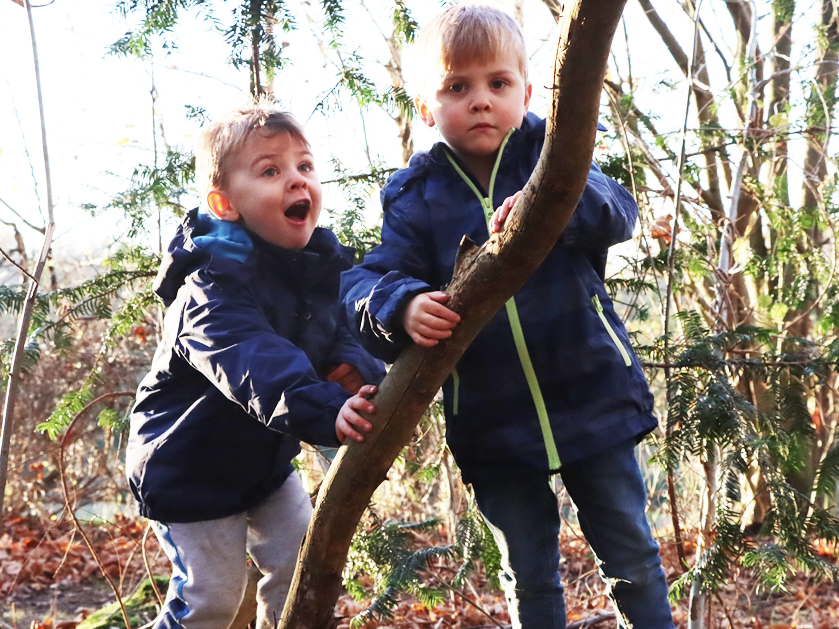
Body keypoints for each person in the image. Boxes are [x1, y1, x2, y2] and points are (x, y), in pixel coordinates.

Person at [339, 5, 674, 629]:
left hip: (590, 391)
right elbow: (365, 279)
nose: (481, 101)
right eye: (456, 87)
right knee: (529, 574)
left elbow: (617, 210)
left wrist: (551, 201)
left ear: (525, 90)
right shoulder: (417, 198)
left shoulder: (554, 155)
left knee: (632, 556)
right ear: (425, 108)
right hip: (492, 419)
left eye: (498, 84)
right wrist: (403, 304)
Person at [126, 103, 385, 629]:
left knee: (302, 565)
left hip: (263, 465)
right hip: (188, 469)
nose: (296, 181)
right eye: (270, 171)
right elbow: (256, 365)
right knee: (213, 599)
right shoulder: (210, 287)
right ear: (225, 203)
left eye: (304, 167)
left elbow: (344, 327)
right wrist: (323, 407)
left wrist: (354, 366)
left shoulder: (316, 268)